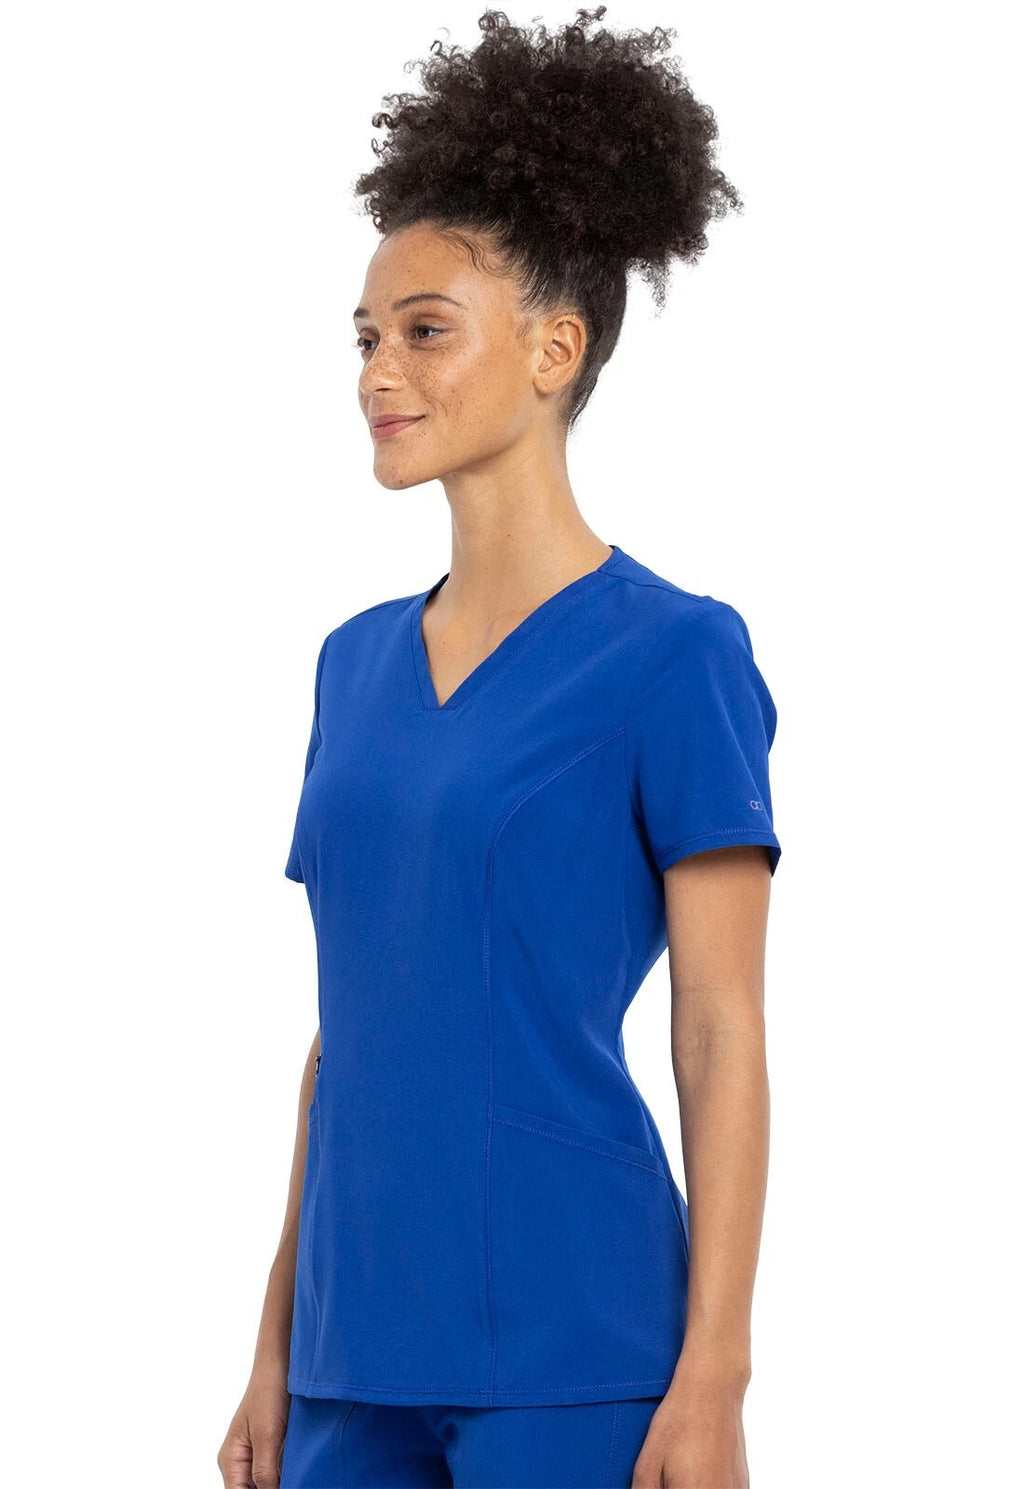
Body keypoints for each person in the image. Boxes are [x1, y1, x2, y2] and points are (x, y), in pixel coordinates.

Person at [218, 8, 782, 1487]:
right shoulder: (351, 665)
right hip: (349, 1353)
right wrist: (273, 1344)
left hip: (573, 1347)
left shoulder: (676, 655)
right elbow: (348, 1032)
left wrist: (715, 1375)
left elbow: (720, 1030)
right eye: (365, 338)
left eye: (424, 331)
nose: (377, 374)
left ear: (553, 348)